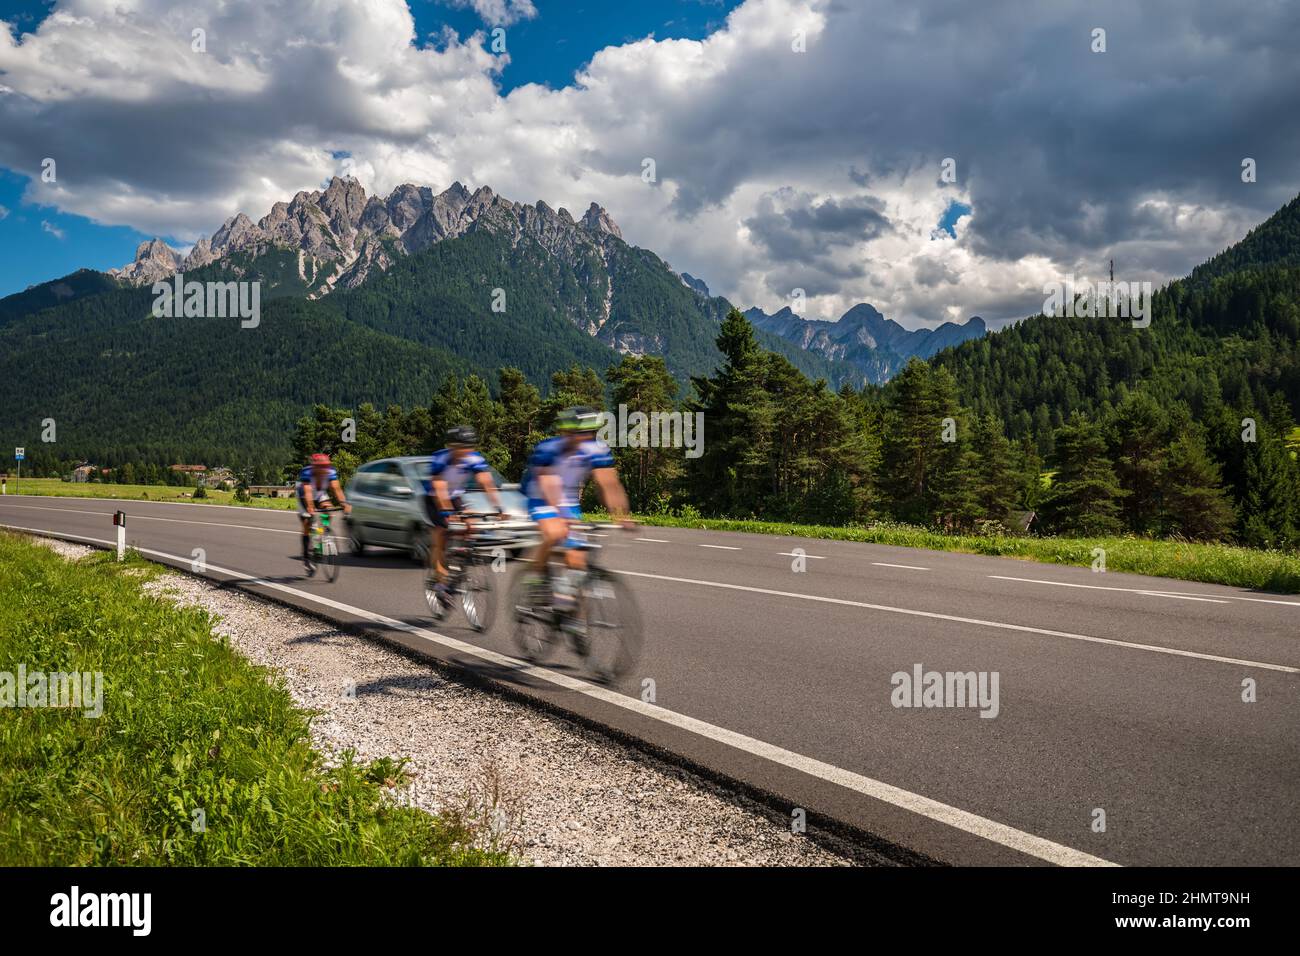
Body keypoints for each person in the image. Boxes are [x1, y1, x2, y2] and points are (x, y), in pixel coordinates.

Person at [521, 406, 634, 613]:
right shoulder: (549, 449)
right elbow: (548, 484)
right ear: (566, 432)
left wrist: (621, 515)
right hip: (541, 498)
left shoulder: (597, 449)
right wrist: (559, 516)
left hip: (570, 502)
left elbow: (608, 483)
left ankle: (570, 615)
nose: (586, 438)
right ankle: (535, 579)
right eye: (580, 433)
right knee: (555, 533)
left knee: (577, 560)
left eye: (591, 432)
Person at [424, 426, 503, 601]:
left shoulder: (473, 458)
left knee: (471, 523)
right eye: (461, 447)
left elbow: (486, 482)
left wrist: (497, 507)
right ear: (451, 446)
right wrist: (446, 511)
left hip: (456, 496)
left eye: (469, 446)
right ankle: (440, 582)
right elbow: (439, 487)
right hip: (434, 498)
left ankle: (461, 556)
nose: (465, 451)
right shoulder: (441, 458)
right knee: (440, 537)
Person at [296, 452, 350, 575]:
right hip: (304, 496)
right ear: (314, 467)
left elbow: (337, 490)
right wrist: (310, 507)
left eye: (326, 466)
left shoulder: (331, 472)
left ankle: (321, 533)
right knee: (307, 523)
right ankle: (306, 556)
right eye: (321, 467)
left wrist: (344, 504)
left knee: (328, 512)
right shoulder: (307, 473)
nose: (324, 469)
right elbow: (308, 492)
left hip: (320, 495)